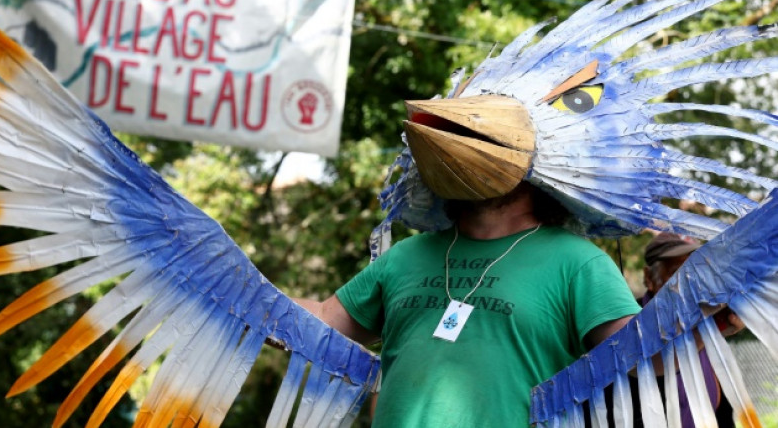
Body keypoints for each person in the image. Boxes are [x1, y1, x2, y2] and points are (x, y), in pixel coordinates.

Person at [296, 182, 643, 427]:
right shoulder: (406, 255)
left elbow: (646, 358)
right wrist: (243, 293)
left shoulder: (579, 261)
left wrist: (697, 305)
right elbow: (325, 320)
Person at [639, 232, 735, 428]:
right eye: (677, 273)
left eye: (696, 273)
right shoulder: (632, 327)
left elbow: (722, 410)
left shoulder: (704, 320)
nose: (689, 284)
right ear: (649, 278)